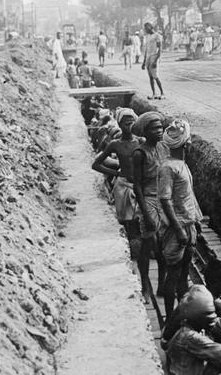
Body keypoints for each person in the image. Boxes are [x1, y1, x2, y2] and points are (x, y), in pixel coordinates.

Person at [158, 119, 203, 317]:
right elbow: (165, 200)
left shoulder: (181, 165)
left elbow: (188, 196)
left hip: (188, 225)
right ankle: (169, 317)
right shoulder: (168, 168)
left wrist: (196, 221)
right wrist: (178, 229)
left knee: (183, 276)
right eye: (189, 140)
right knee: (174, 275)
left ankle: (182, 317)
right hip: (178, 229)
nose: (191, 143)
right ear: (185, 144)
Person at [165, 285, 221, 375]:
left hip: (197, 369)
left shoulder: (193, 325)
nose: (212, 320)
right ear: (200, 318)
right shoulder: (190, 337)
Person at [131, 111, 169, 302]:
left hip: (163, 200)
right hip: (148, 200)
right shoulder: (140, 153)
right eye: (154, 128)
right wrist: (145, 212)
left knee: (163, 247)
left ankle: (162, 284)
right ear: (145, 131)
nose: (159, 131)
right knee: (147, 246)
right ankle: (146, 285)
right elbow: (136, 184)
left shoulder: (163, 148)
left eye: (160, 127)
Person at [92, 108, 142, 248]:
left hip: (140, 185)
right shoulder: (115, 144)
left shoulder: (140, 142)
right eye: (126, 123)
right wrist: (117, 174)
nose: (129, 126)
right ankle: (133, 248)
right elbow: (96, 164)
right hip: (124, 186)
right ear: (119, 124)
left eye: (132, 123)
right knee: (129, 221)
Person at [141, 22, 165, 100]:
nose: (145, 30)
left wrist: (156, 60)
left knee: (155, 76)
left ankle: (162, 93)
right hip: (148, 57)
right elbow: (146, 49)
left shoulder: (157, 36)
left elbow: (159, 49)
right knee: (150, 77)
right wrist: (144, 62)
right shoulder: (147, 36)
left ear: (150, 27)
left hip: (154, 57)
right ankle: (154, 93)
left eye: (146, 28)